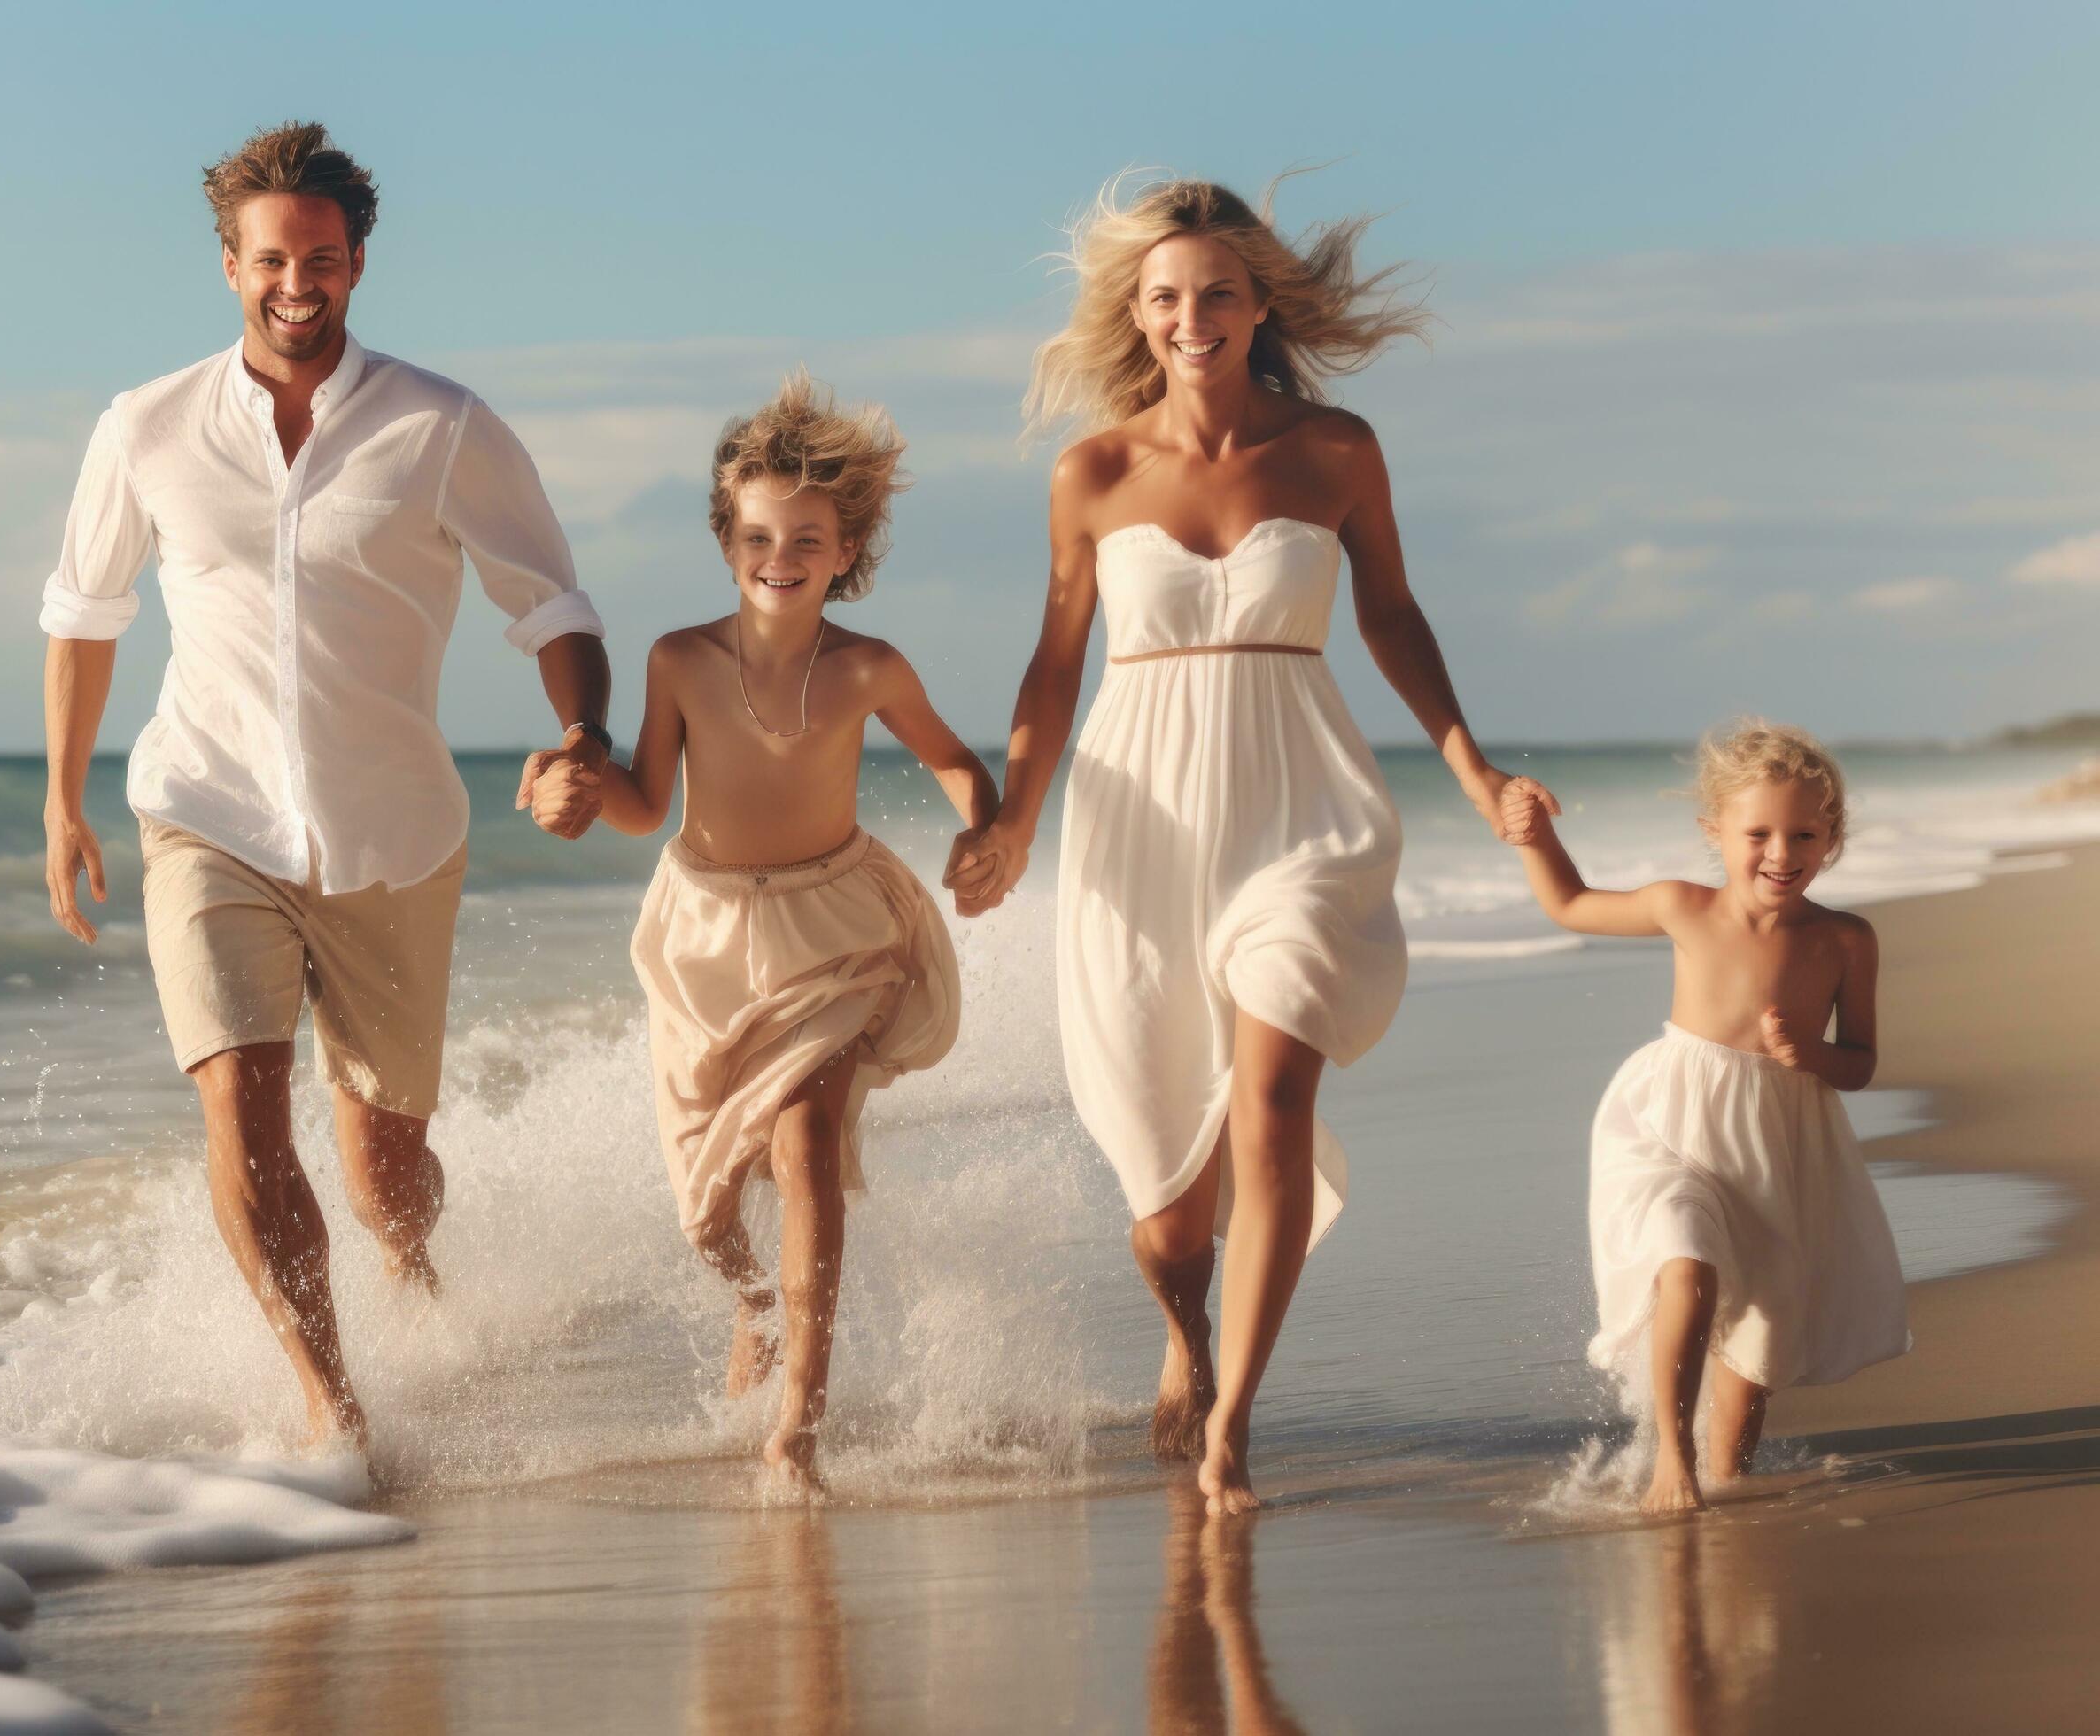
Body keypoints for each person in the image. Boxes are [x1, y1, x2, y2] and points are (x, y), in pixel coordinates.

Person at [948, 174, 1546, 1515]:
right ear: (1139, 315)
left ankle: (1235, 1424)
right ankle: (1187, 1334)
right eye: (1166, 296)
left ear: (1260, 300)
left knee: (1276, 1095)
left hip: (1301, 809)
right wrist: (1011, 821)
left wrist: (1475, 769)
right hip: (1138, 823)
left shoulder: (1338, 451)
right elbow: (1056, 665)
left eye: (1218, 290)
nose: (1193, 316)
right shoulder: (1093, 472)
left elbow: (1394, 618)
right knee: (1169, 1223)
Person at [37, 122, 614, 1453]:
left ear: (358, 261)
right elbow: (83, 612)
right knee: (239, 1097)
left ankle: (418, 1294)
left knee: (384, 1170)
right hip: (208, 811)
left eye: (322, 258)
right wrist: (65, 796)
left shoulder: (442, 426)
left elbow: (554, 604)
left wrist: (582, 732)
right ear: (229, 264)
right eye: (270, 259)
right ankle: (333, 1409)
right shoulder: (147, 427)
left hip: (393, 835)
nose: (297, 283)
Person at [523, 373, 996, 1489]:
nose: (779, 555)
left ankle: (801, 1417)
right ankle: (756, 1302)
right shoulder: (680, 660)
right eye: (757, 534)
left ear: (847, 550)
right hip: (705, 936)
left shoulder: (869, 667)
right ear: (727, 540)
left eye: (807, 538)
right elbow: (647, 802)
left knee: (805, 1138)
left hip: (835, 927)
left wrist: (986, 833)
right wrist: (577, 789)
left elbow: (956, 763)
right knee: (710, 1210)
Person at [1502, 720, 1909, 1514]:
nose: (1780, 854)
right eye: (1758, 833)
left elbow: (1859, 1061)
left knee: (1759, 1321)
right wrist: (1532, 834)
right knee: (1684, 1262)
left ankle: (1723, 1469)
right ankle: (1671, 1456)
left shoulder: (1846, 940)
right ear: (1714, 832)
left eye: (1805, 835)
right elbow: (1571, 903)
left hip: (1777, 1145)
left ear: (1833, 840)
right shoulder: (1681, 907)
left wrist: (1809, 1058)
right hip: (1670, 1126)